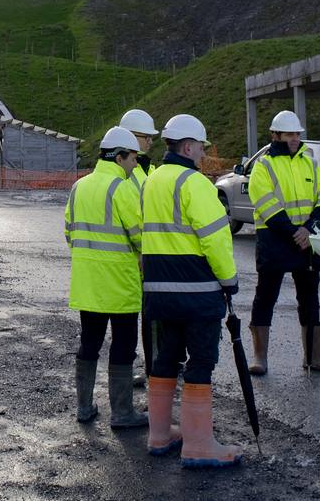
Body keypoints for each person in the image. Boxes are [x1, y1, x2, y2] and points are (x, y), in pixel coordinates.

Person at [142, 114, 242, 468]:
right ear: (188, 146)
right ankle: (199, 444)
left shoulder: (152, 181)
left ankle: (158, 435)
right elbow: (216, 240)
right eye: (200, 145)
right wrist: (230, 280)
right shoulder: (195, 184)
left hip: (158, 289)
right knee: (201, 361)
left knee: (166, 357)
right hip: (197, 291)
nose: (203, 152)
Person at [63, 126, 147, 430]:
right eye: (133, 158)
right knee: (123, 346)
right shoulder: (122, 188)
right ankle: (123, 413)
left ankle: (84, 407)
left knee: (90, 342)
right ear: (120, 157)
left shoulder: (79, 187)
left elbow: (69, 232)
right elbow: (140, 236)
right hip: (120, 282)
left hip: (88, 283)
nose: (136, 164)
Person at [246, 110, 320, 376]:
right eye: (289, 134)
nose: (295, 138)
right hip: (276, 238)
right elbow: (265, 203)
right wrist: (295, 232)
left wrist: (309, 228)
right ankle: (259, 357)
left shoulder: (309, 163)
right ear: (275, 135)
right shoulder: (263, 166)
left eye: (297, 134)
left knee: (310, 298)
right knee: (266, 296)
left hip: (306, 239)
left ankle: (315, 356)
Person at [118, 107, 160, 386]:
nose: (150, 142)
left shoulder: (150, 170)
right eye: (146, 137)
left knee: (151, 316)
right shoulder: (123, 174)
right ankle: (138, 369)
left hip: (148, 254)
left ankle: (153, 367)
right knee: (129, 319)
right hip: (131, 257)